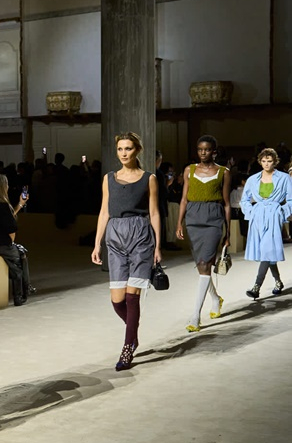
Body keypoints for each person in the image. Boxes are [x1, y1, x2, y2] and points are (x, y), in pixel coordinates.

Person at [91, 132, 162, 371]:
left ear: (137, 150)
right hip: (115, 237)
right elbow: (104, 212)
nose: (123, 153)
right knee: (117, 300)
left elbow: (154, 213)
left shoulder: (149, 178)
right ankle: (133, 334)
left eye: (128, 148)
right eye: (120, 149)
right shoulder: (108, 179)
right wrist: (97, 243)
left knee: (132, 297)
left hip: (141, 235)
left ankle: (127, 347)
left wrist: (158, 245)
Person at [176, 135, 231, 332]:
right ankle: (216, 299)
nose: (203, 153)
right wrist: (179, 222)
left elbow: (226, 203)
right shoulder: (189, 170)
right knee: (202, 267)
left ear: (214, 151)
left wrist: (228, 233)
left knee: (205, 264)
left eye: (207, 149)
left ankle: (195, 316)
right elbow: (184, 199)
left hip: (213, 219)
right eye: (200, 149)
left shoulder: (223, 172)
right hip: (193, 219)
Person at [241, 149, 292, 298]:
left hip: (274, 215)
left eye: (269, 161)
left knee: (267, 249)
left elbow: (290, 199)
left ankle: (256, 287)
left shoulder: (284, 178)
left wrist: (281, 212)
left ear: (275, 162)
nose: (266, 164)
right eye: (264, 161)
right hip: (257, 216)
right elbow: (244, 199)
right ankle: (278, 282)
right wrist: (250, 212)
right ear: (260, 162)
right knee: (267, 252)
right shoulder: (253, 179)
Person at [0, 174, 33, 306]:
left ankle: (25, 287)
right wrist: (11, 243)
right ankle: (21, 292)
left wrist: (20, 205)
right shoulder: (2, 205)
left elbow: (7, 220)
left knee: (17, 257)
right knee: (20, 257)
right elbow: (11, 227)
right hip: (2, 245)